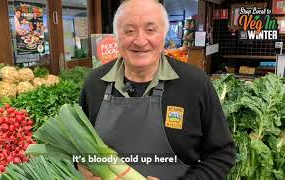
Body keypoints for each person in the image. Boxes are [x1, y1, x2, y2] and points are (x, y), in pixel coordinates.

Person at [79, 0, 236, 179]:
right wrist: (80, 166)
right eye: (129, 30)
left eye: (150, 30)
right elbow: (78, 146)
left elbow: (222, 153)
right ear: (116, 36)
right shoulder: (94, 83)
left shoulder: (194, 84)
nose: (139, 41)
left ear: (164, 34)